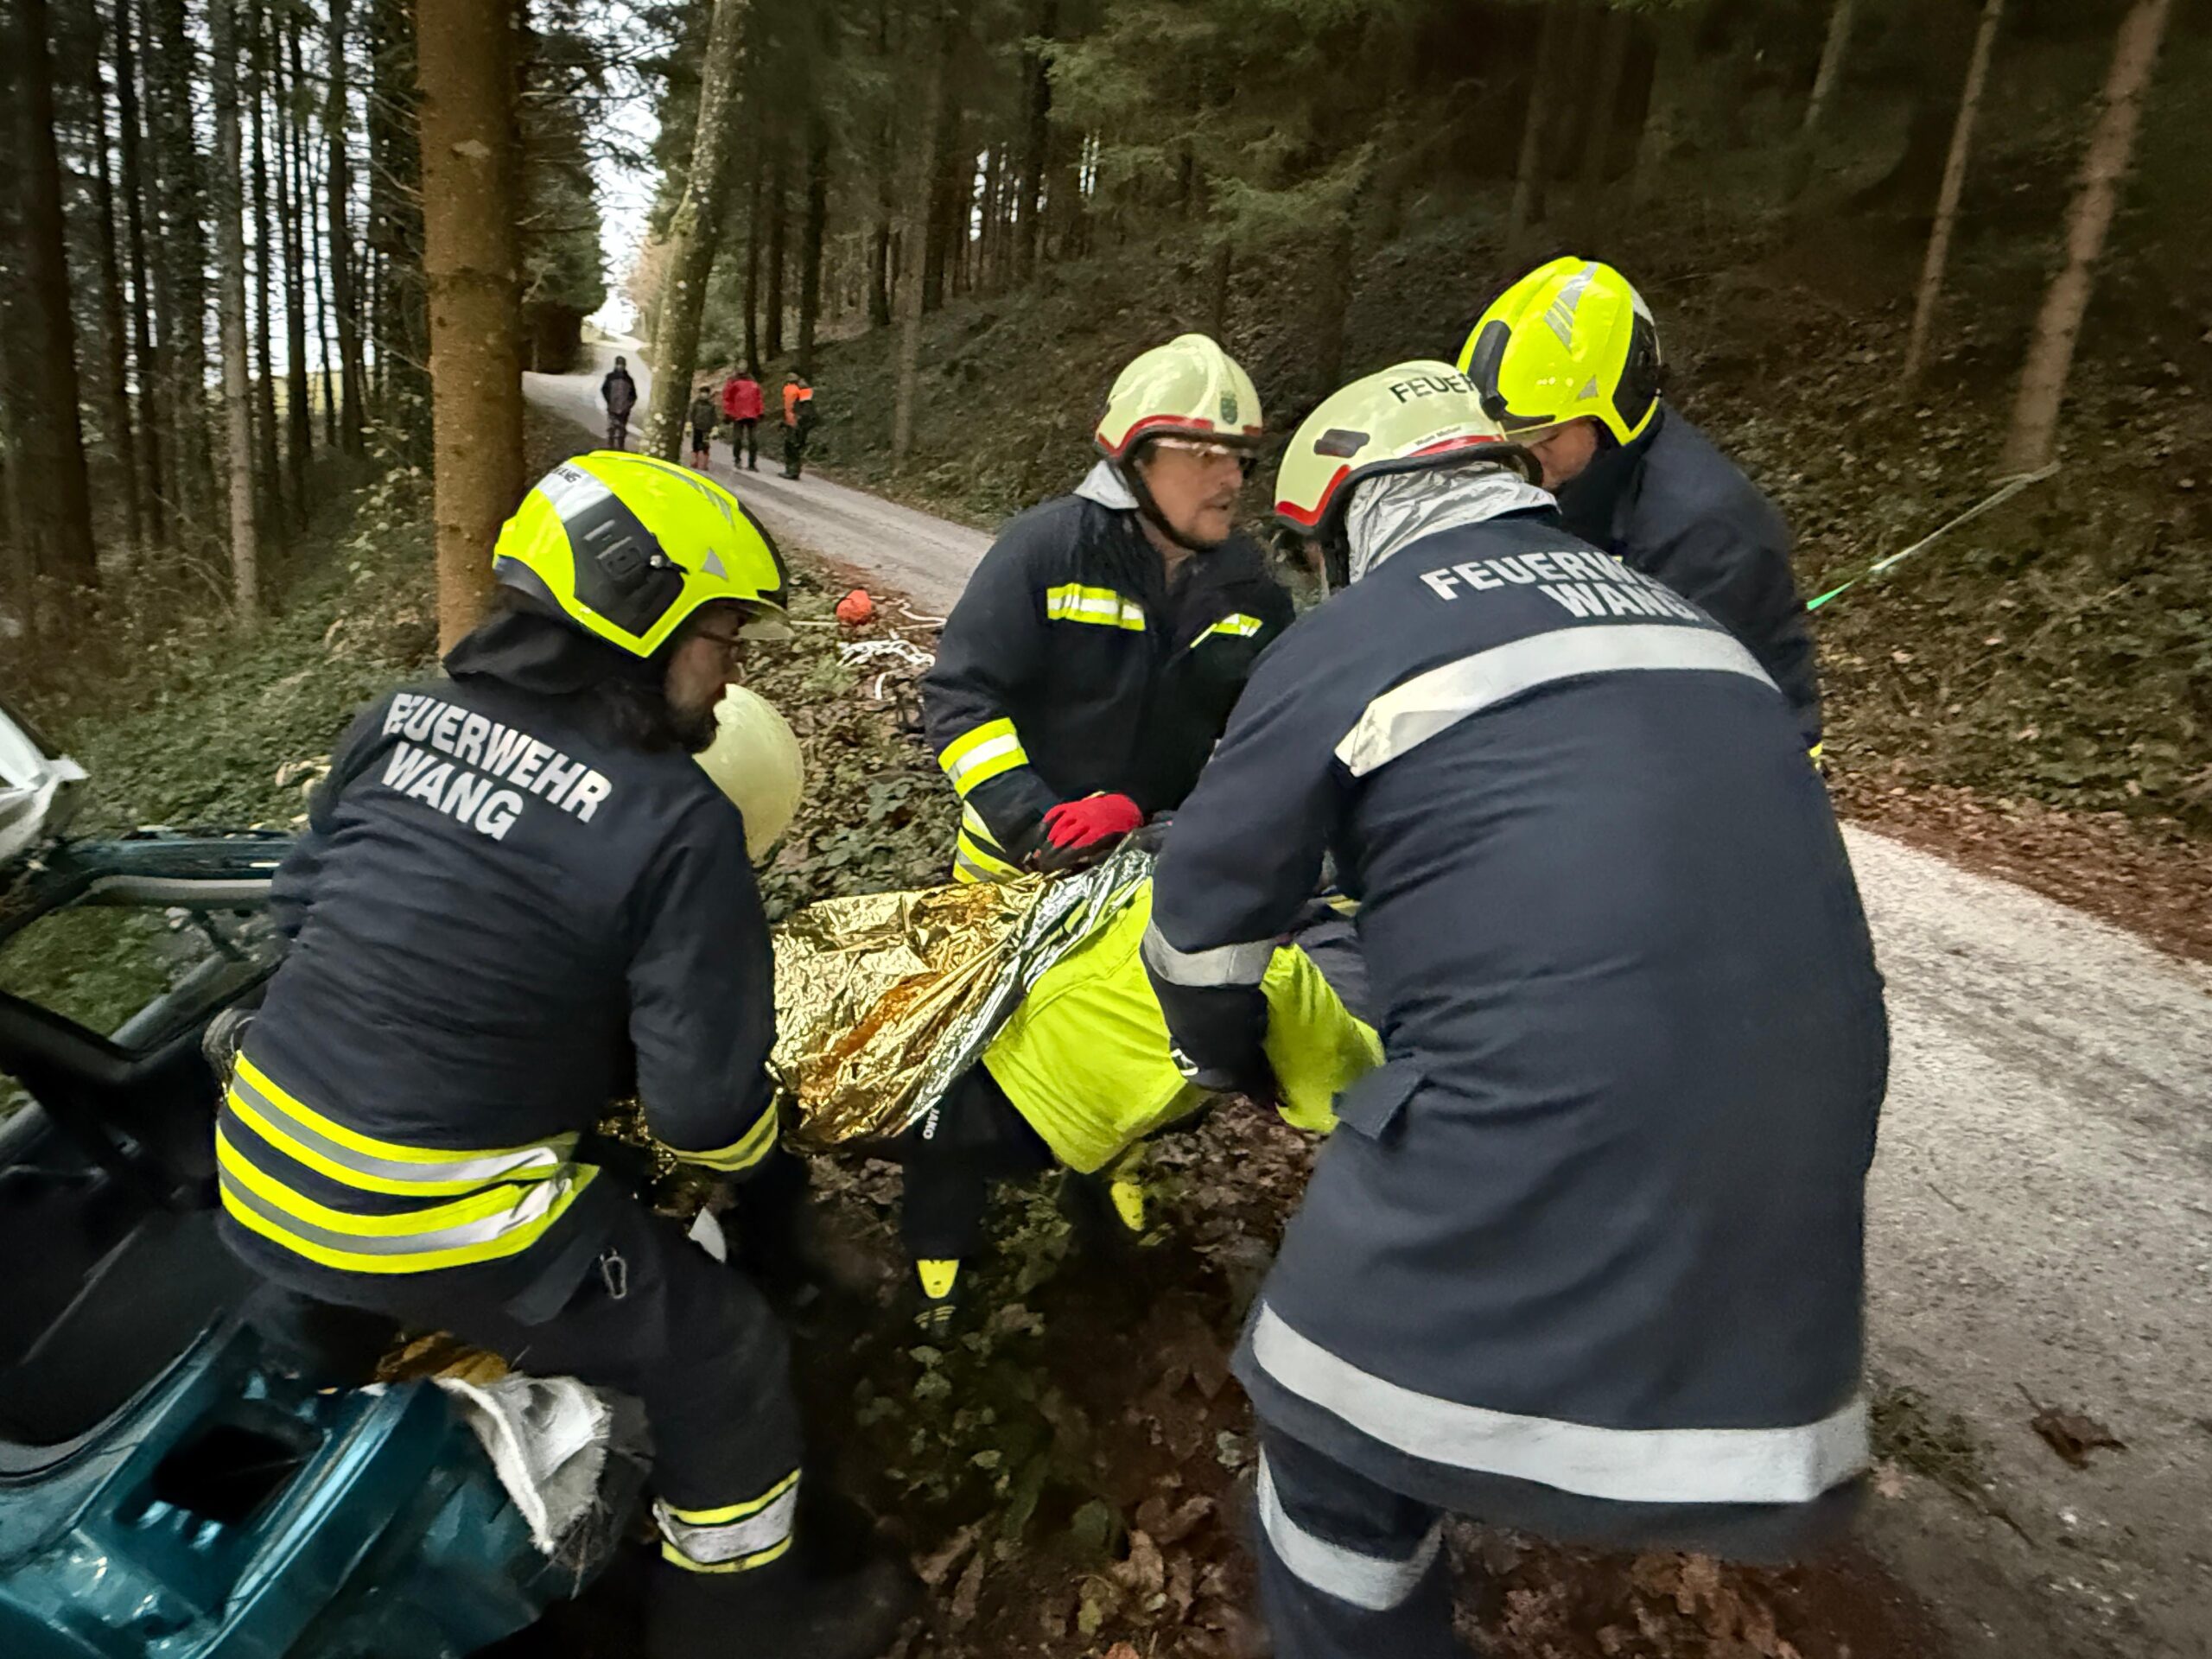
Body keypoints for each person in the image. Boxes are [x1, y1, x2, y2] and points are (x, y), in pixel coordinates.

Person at [1143, 363, 1887, 1659]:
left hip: (1565, 1115)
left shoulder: (1351, 638)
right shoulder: (1694, 622)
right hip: (1809, 1167)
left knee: (1328, 1439)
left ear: (1347, 524)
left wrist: (1237, 1063)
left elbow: (1199, 939)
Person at [210, 451, 913, 1659]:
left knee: (338, 1270)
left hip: (258, 1163)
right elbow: (702, 1116)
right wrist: (766, 1153)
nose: (731, 669)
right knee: (724, 1350)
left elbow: (300, 914)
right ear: (643, 620)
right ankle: (737, 1624)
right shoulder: (675, 819)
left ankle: (317, 1347)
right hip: (432, 1211)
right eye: (723, 634)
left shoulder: (398, 719)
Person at [883, 877, 1378, 1335]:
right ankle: (948, 1255)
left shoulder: (1162, 868)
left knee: (946, 1152)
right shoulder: (1285, 968)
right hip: (1048, 1090)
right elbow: (1334, 1096)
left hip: (1010, 1056)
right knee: (1175, 1083)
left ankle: (942, 1268)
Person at [920, 334, 1294, 886]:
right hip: (1008, 876)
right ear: (1135, 458)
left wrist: (1156, 819)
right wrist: (1032, 825)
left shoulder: (1251, 586)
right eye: (1204, 455)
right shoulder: (1046, 552)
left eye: (1240, 459)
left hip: (1159, 876)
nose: (1232, 480)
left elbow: (1268, 739)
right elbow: (960, 699)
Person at [1459, 257, 1823, 750]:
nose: (1519, 462)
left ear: (1616, 411)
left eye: (1543, 439)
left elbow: (1693, 723)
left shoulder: (1704, 532)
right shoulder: (1563, 483)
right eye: (1502, 442)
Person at [722, 365, 764, 473]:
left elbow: (758, 398)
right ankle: (737, 460)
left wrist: (760, 411)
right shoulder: (733, 382)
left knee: (753, 440)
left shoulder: (753, 383)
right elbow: (728, 398)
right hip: (738, 414)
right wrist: (728, 412)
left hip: (752, 415)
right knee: (738, 439)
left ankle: (752, 463)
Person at [780, 372, 815, 479]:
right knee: (789, 445)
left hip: (798, 421)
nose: (789, 377)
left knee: (793, 445)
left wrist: (800, 419)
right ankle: (791, 469)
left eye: (792, 375)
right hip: (791, 420)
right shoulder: (789, 388)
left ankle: (793, 471)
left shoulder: (803, 388)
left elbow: (807, 406)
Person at [601, 354, 639, 450]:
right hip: (612, 407)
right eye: (619, 364)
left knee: (622, 429)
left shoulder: (629, 380)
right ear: (615, 365)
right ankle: (610, 446)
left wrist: (628, 405)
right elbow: (604, 390)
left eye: (622, 365)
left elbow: (633, 395)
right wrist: (609, 401)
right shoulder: (610, 377)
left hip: (624, 409)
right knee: (611, 427)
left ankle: (620, 447)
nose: (620, 367)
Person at [688, 385, 719, 470]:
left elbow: (714, 418)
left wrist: (715, 428)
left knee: (705, 446)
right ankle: (694, 461)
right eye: (702, 392)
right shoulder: (696, 404)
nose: (704, 394)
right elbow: (691, 414)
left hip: (707, 429)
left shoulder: (711, 406)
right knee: (695, 445)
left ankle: (704, 464)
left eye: (706, 393)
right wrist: (689, 425)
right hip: (697, 427)